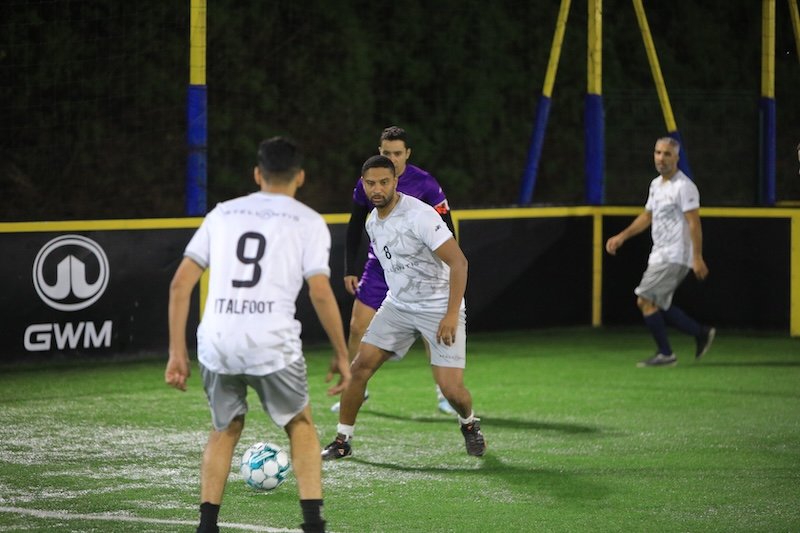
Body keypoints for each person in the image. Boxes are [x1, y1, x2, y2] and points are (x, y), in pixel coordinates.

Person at [165, 137, 350, 533]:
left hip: (217, 340)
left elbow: (180, 284)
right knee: (300, 423)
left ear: (256, 173)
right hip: (271, 342)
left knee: (224, 429)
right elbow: (319, 291)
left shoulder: (222, 214)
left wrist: (177, 352)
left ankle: (207, 526)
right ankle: (313, 524)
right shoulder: (308, 221)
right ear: (300, 176)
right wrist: (341, 351)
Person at [321, 155, 486, 460]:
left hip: (438, 308)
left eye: (384, 182)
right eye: (371, 183)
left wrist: (451, 314)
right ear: (363, 185)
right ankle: (342, 441)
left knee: (451, 390)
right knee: (358, 369)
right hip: (398, 307)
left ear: (395, 181)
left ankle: (469, 423)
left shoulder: (420, 216)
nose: (377, 189)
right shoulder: (372, 222)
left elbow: (459, 263)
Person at [329, 126, 457, 415]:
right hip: (379, 266)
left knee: (430, 331)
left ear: (407, 153)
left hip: (419, 269)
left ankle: (445, 393)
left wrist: (447, 269)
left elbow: (447, 228)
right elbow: (355, 225)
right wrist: (350, 268)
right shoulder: (370, 182)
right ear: (380, 151)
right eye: (387, 152)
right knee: (357, 326)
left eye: (398, 153)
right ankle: (355, 389)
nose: (392, 158)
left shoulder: (426, 184)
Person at [605, 136, 716, 367]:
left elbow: (694, 223)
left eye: (667, 154)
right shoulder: (656, 185)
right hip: (660, 253)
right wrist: (622, 236)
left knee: (644, 300)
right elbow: (648, 216)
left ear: (677, 157)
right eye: (658, 153)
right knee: (658, 305)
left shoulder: (684, 187)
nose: (661, 158)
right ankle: (700, 332)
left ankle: (666, 354)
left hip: (675, 255)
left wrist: (697, 257)